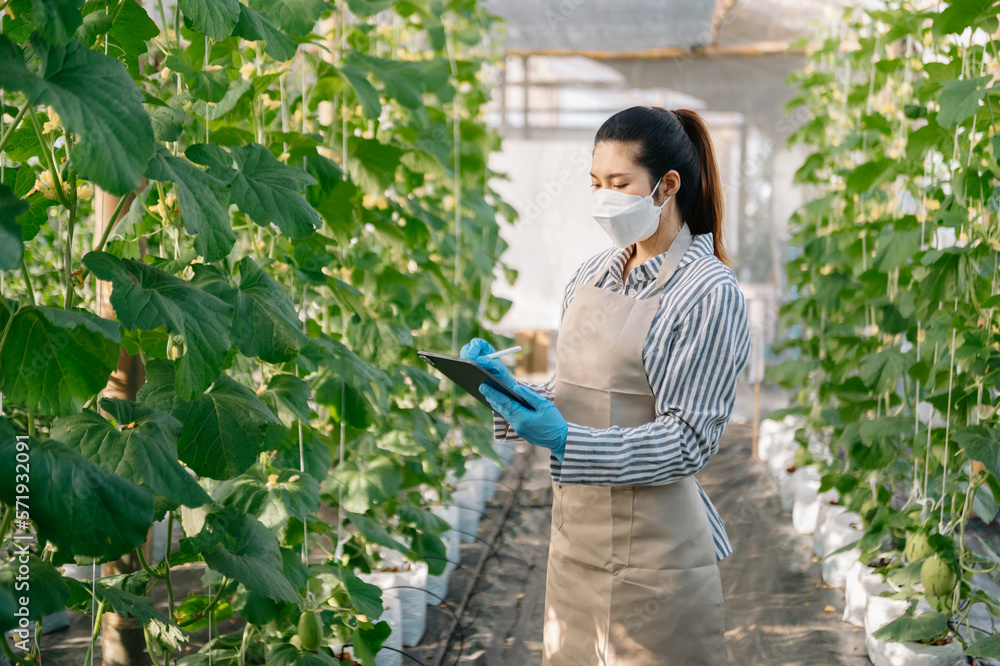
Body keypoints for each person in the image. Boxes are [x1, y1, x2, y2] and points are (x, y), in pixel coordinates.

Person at [461, 105, 750, 665]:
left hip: (656, 558)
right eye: (595, 183)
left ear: (667, 186)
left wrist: (569, 442)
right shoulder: (591, 274)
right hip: (577, 547)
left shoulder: (707, 292)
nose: (603, 198)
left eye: (619, 184)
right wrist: (509, 393)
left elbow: (689, 439)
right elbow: (573, 395)